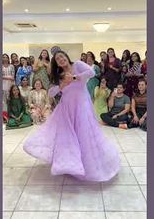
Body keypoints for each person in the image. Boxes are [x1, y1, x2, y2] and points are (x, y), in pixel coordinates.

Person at [23, 50, 120, 181]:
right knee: (67, 136)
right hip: (66, 108)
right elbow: (51, 93)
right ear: (56, 63)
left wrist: (74, 78)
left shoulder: (78, 65)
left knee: (83, 134)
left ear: (66, 56)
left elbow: (91, 73)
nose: (61, 59)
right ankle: (70, 164)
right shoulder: (59, 75)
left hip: (81, 106)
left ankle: (87, 163)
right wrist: (62, 85)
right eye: (57, 59)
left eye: (62, 56)